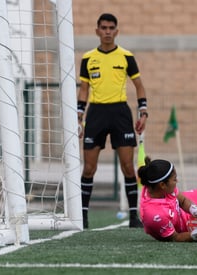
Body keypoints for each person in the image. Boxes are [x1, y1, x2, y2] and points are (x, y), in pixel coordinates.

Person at [77, 13, 147, 228]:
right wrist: (79, 114)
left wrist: (143, 111)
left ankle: (134, 216)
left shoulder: (126, 56)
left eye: (111, 28)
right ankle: (83, 216)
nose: (107, 31)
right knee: (89, 168)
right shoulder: (88, 58)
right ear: (97, 31)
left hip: (120, 113)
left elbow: (139, 86)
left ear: (116, 31)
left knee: (128, 166)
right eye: (103, 28)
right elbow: (84, 89)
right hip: (96, 113)